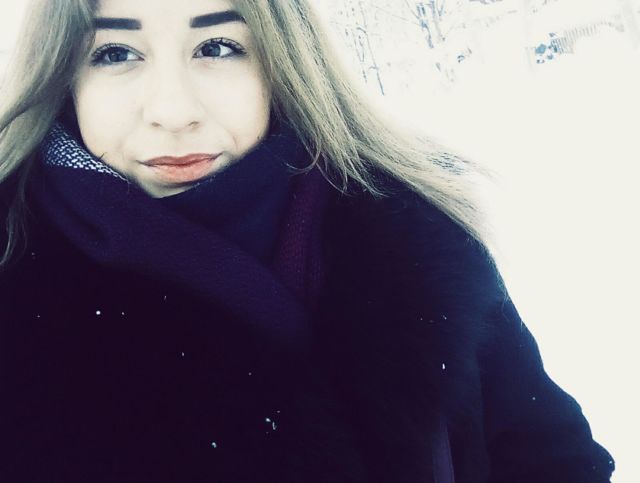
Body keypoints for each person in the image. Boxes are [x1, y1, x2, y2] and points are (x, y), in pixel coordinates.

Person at [0, 0, 615, 482]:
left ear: (283, 62)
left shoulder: (415, 230)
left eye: (218, 46)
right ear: (63, 75)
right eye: (114, 53)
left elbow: (551, 457)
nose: (172, 109)